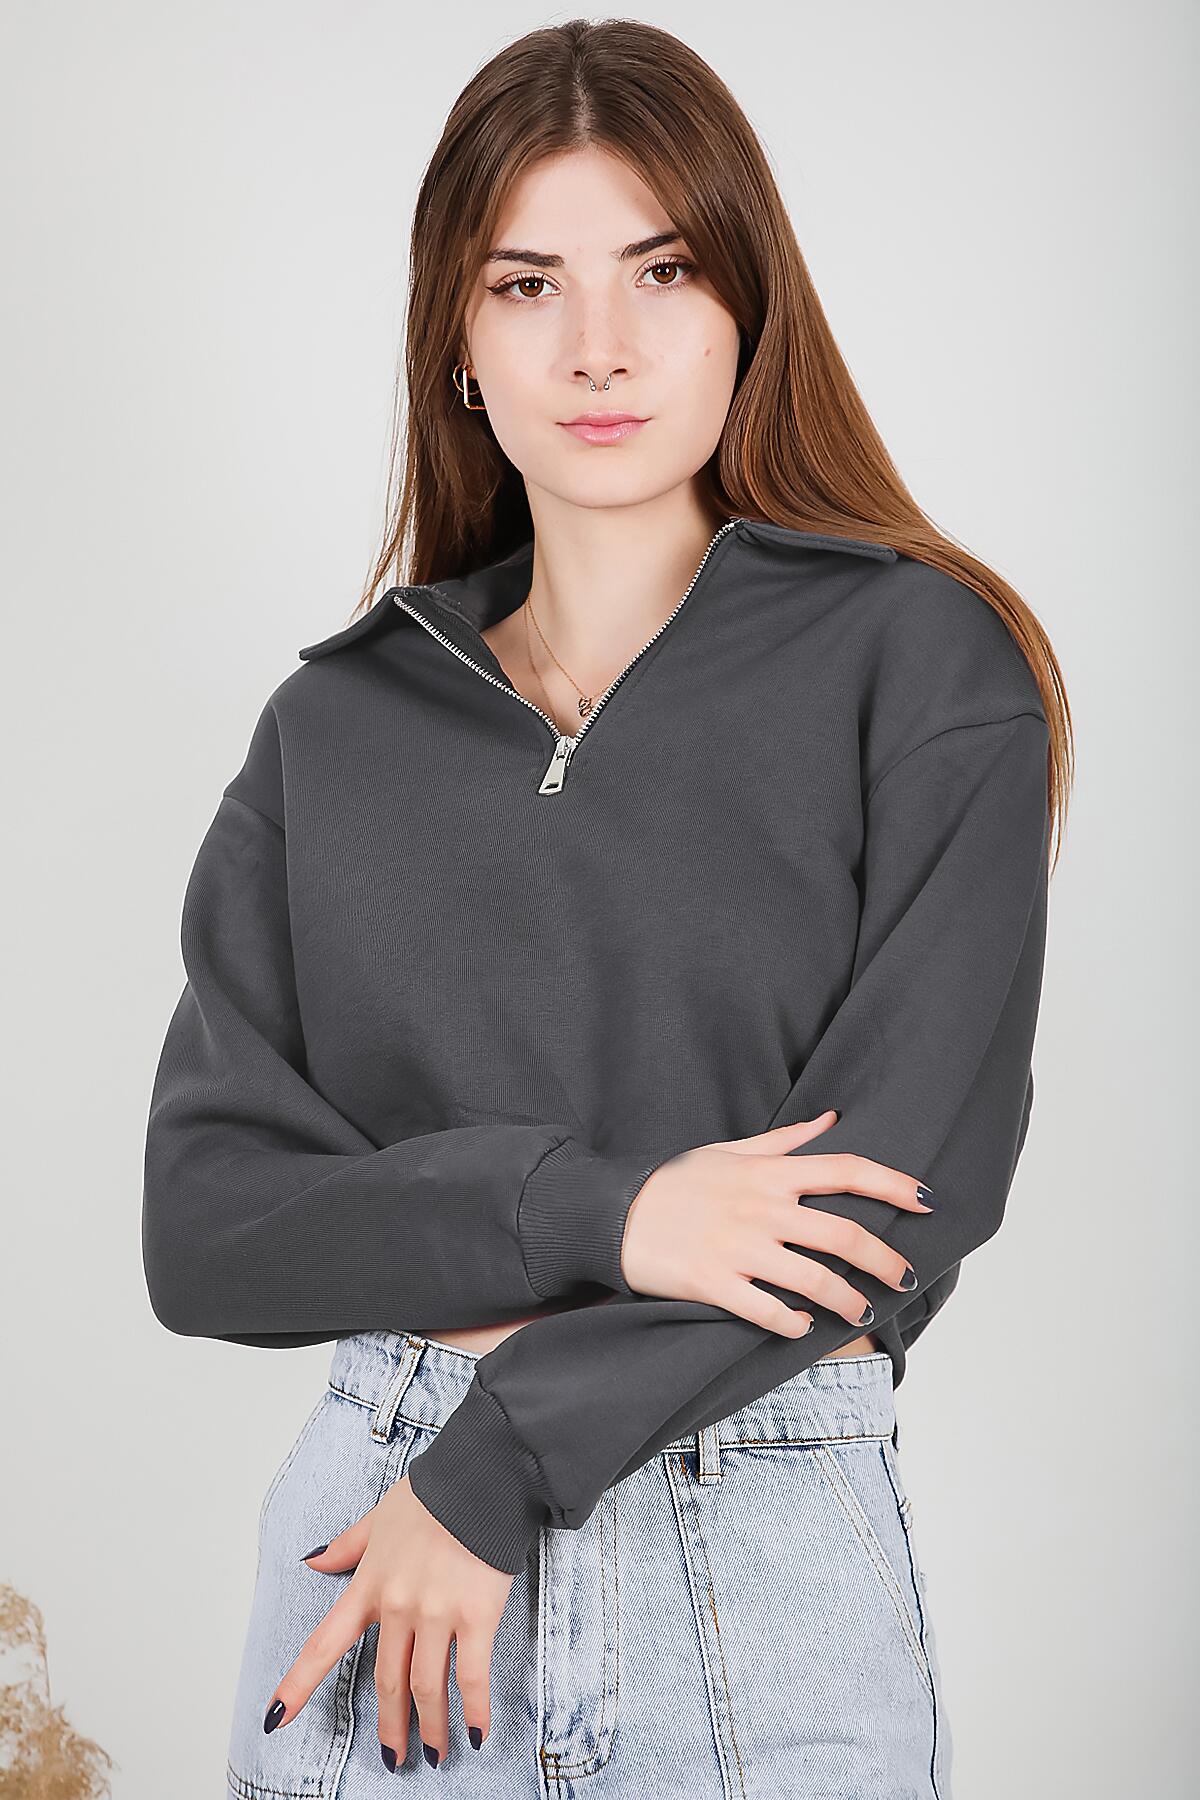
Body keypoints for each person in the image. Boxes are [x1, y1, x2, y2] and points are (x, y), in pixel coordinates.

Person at [141, 19, 1072, 1797]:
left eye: (663, 270)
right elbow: (207, 1226)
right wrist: (613, 1211)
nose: (600, 347)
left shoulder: (921, 660)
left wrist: (496, 1466)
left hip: (745, 1539)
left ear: (749, 305)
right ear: (459, 339)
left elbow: (902, 1182)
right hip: (379, 1557)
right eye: (526, 285)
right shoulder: (334, 727)